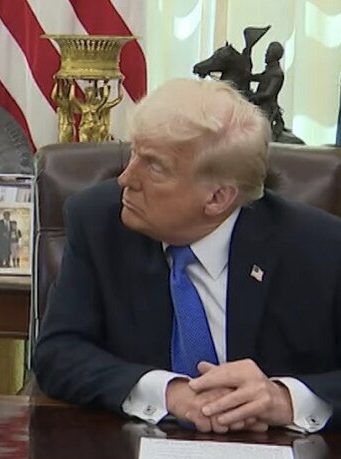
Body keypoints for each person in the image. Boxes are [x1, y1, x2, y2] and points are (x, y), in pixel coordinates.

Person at [34, 77, 341, 434]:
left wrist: (285, 400)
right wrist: (169, 393)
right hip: (133, 455)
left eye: (154, 166)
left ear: (217, 198)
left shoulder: (321, 248)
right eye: (134, 153)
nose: (126, 179)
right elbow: (57, 353)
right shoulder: (99, 221)